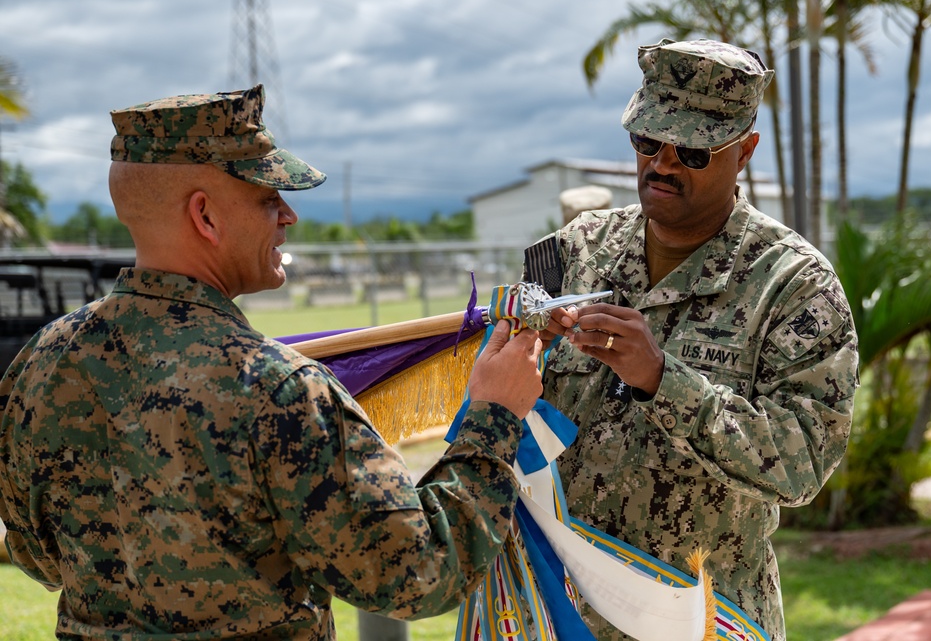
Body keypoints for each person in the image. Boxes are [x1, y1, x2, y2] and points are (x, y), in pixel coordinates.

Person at [0, 84, 544, 640]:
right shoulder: (278, 389)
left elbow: (34, 553)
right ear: (205, 216)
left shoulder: (40, 364)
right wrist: (494, 417)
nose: (289, 215)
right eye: (268, 196)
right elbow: (418, 572)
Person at [527, 39, 859, 641]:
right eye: (647, 142)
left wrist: (663, 381)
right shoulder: (575, 250)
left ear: (746, 152)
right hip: (559, 609)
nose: (663, 164)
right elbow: (506, 401)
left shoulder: (793, 286)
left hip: (705, 617)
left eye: (694, 152)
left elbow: (802, 465)